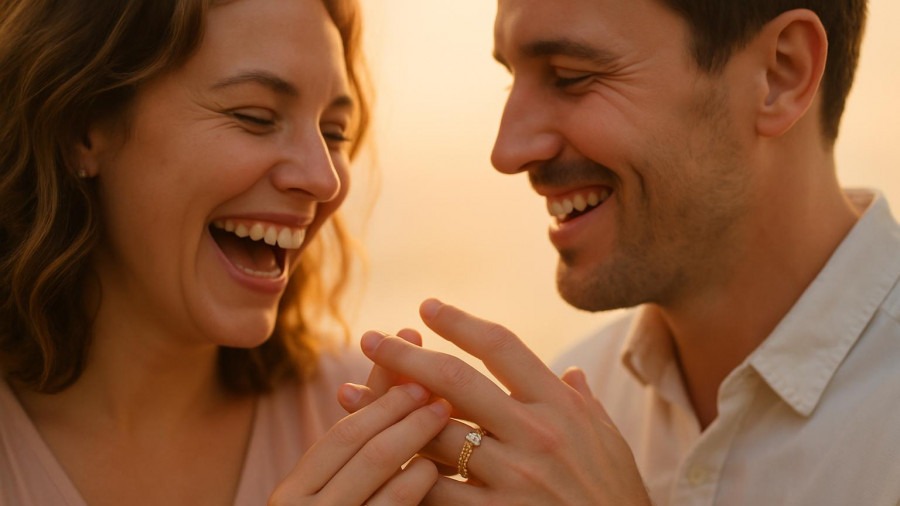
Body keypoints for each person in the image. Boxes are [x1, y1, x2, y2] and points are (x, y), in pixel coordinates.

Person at [342, 0, 900, 504]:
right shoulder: (571, 417)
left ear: (781, 74)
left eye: (570, 77)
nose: (506, 151)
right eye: (511, 79)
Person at [0, 0, 450, 504]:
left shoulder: (374, 429)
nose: (323, 180)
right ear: (82, 130)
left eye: (334, 133)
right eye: (255, 117)